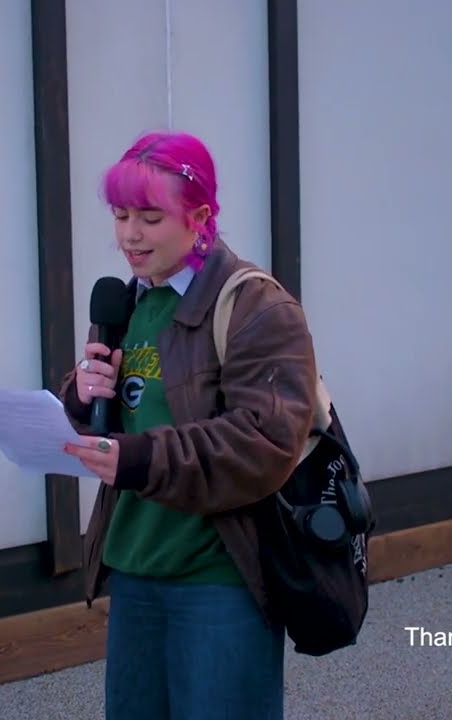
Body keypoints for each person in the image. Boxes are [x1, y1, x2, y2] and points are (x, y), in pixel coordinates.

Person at [58, 130, 320, 720]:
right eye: (121, 215)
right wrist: (78, 397)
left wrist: (142, 457)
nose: (129, 235)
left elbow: (264, 442)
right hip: (134, 570)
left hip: (218, 577)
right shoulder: (128, 303)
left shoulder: (257, 307)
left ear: (199, 215)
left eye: (150, 217)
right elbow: (123, 413)